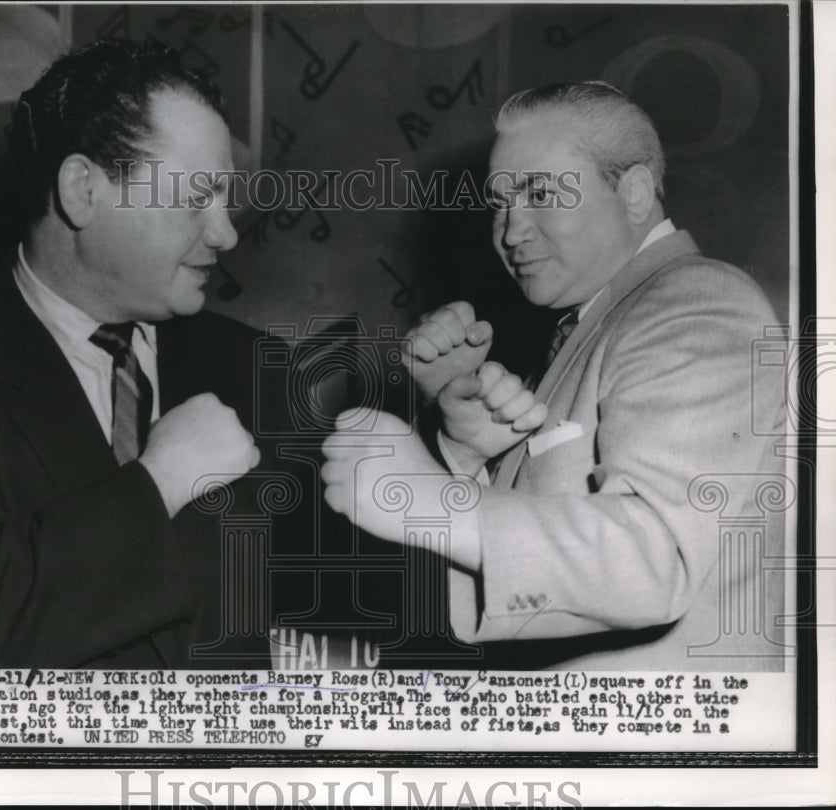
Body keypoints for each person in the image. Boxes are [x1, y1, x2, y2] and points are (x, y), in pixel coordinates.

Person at [322, 81, 787, 670]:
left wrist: (430, 503)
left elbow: (654, 558)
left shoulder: (695, 301)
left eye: (541, 192)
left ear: (635, 194)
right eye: (500, 202)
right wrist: (471, 450)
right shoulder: (598, 323)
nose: (511, 231)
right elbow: (551, 586)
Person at [0, 40, 284, 669]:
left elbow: (346, 596)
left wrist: (454, 443)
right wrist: (160, 483)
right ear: (82, 190)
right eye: (195, 196)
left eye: (226, 197)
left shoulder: (256, 365)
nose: (226, 232)